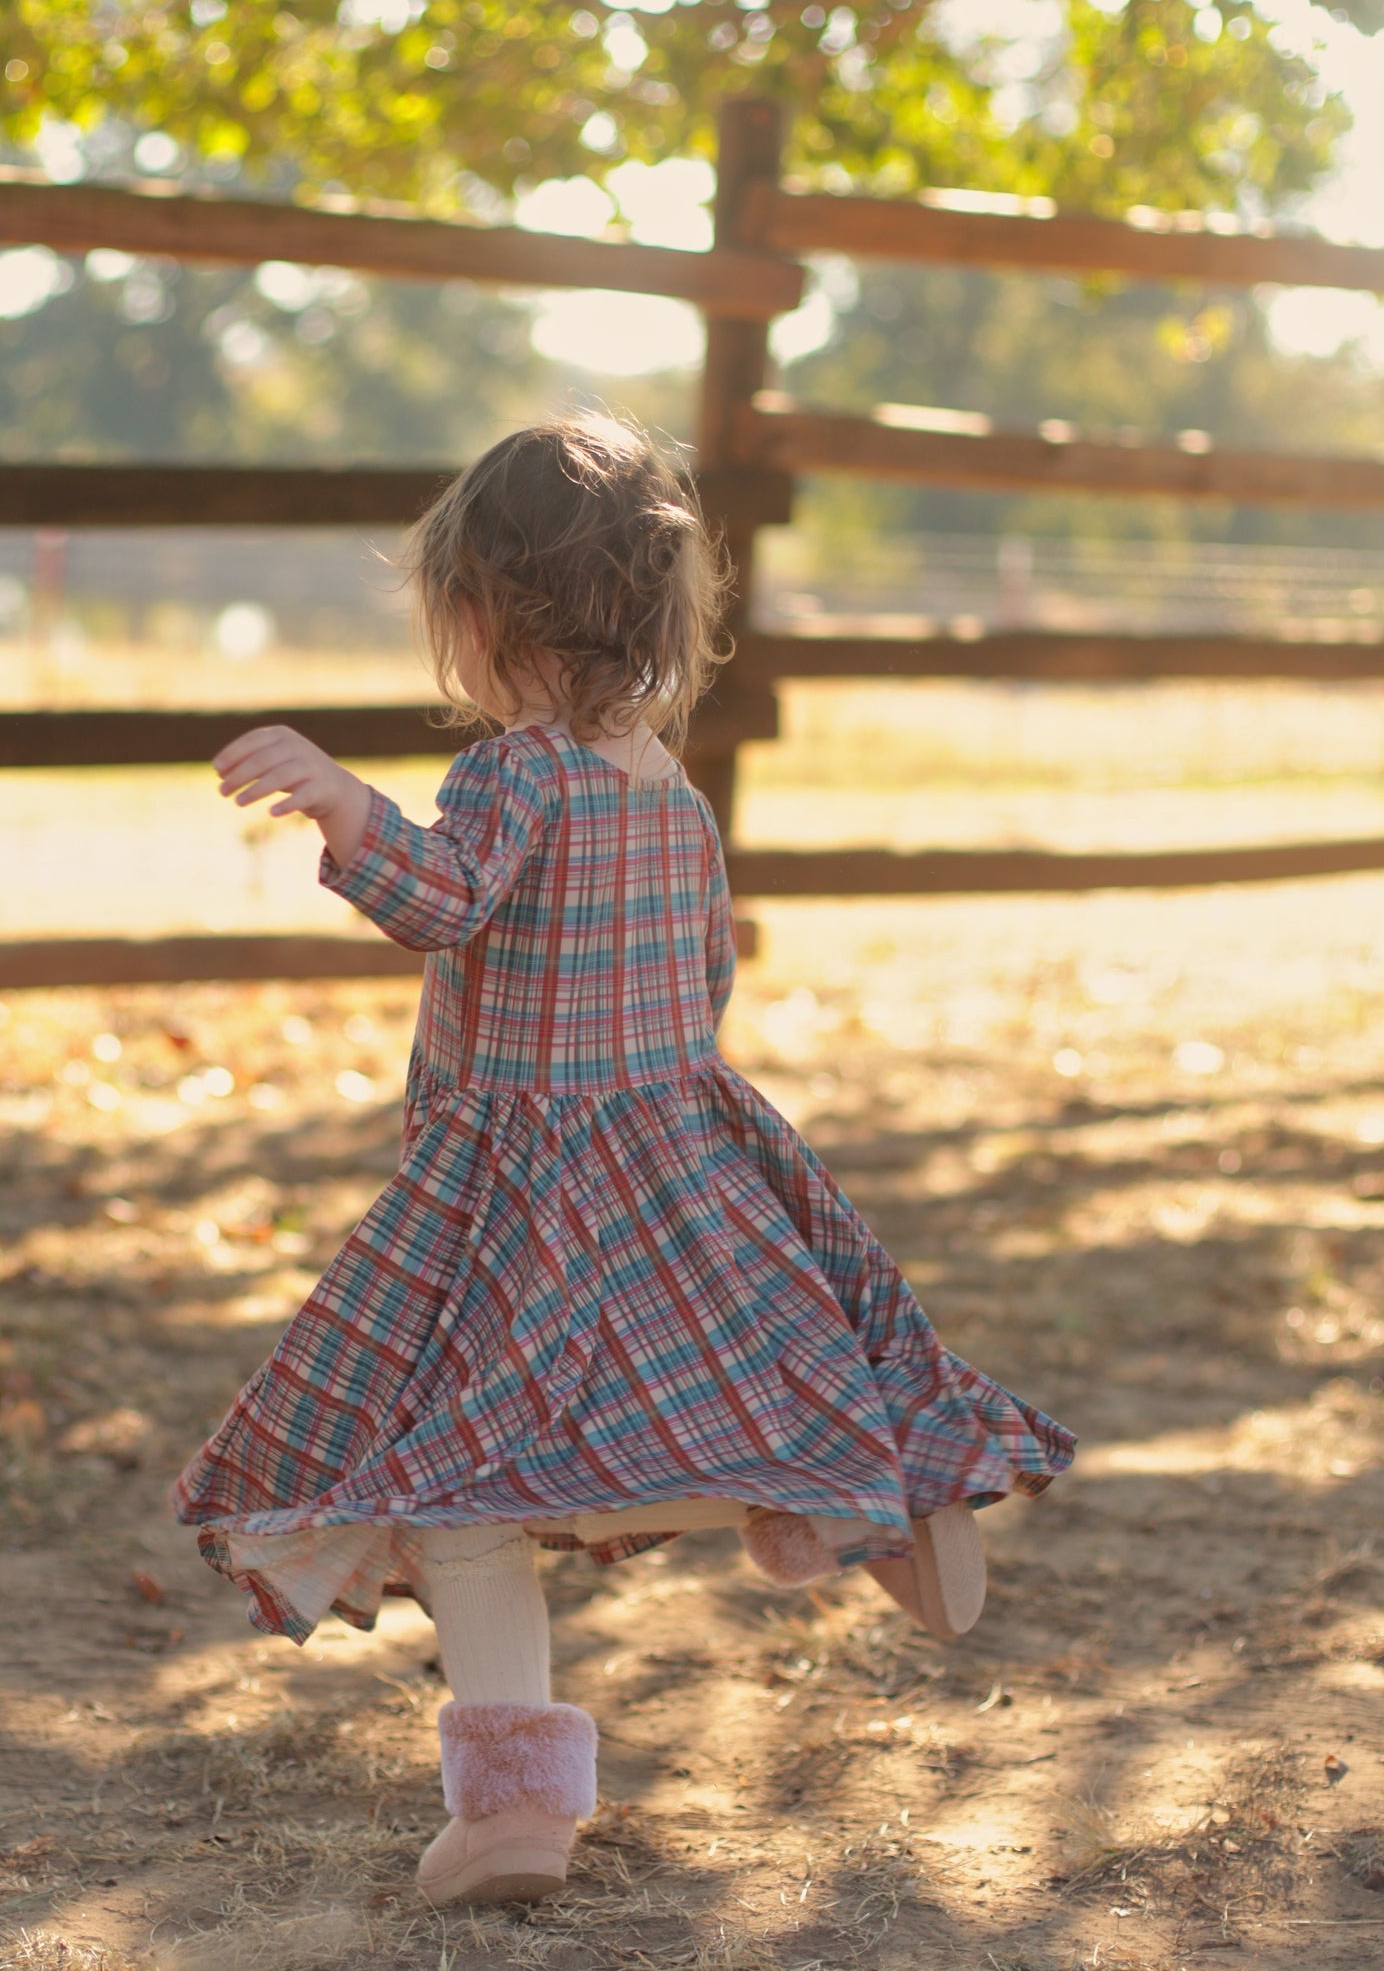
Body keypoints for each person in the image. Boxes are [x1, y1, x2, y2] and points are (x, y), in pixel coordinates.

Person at [174, 413, 1075, 1909]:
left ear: (476, 615)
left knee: (470, 1480)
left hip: (518, 1190)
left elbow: (448, 902)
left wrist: (348, 810)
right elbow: (698, 974)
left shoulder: (514, 778)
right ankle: (870, 1499)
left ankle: (516, 1812)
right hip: (674, 1151)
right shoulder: (669, 787)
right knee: (697, 1409)